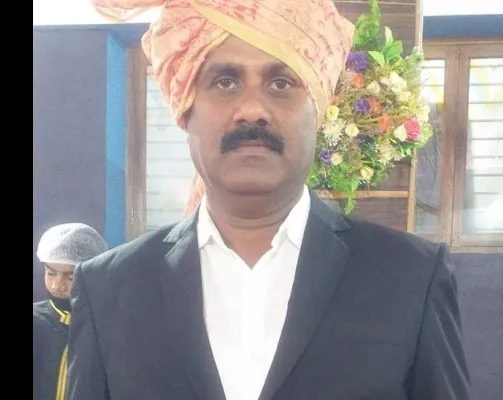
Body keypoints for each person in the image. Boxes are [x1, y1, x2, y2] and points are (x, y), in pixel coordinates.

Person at [66, 0, 471, 399]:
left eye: (281, 84)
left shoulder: (410, 277)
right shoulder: (108, 289)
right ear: (185, 109)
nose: (252, 110)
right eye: (225, 82)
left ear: (319, 109)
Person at [33, 222, 108, 400]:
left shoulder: (105, 325)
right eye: (51, 273)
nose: (57, 284)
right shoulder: (36, 320)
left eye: (70, 276)